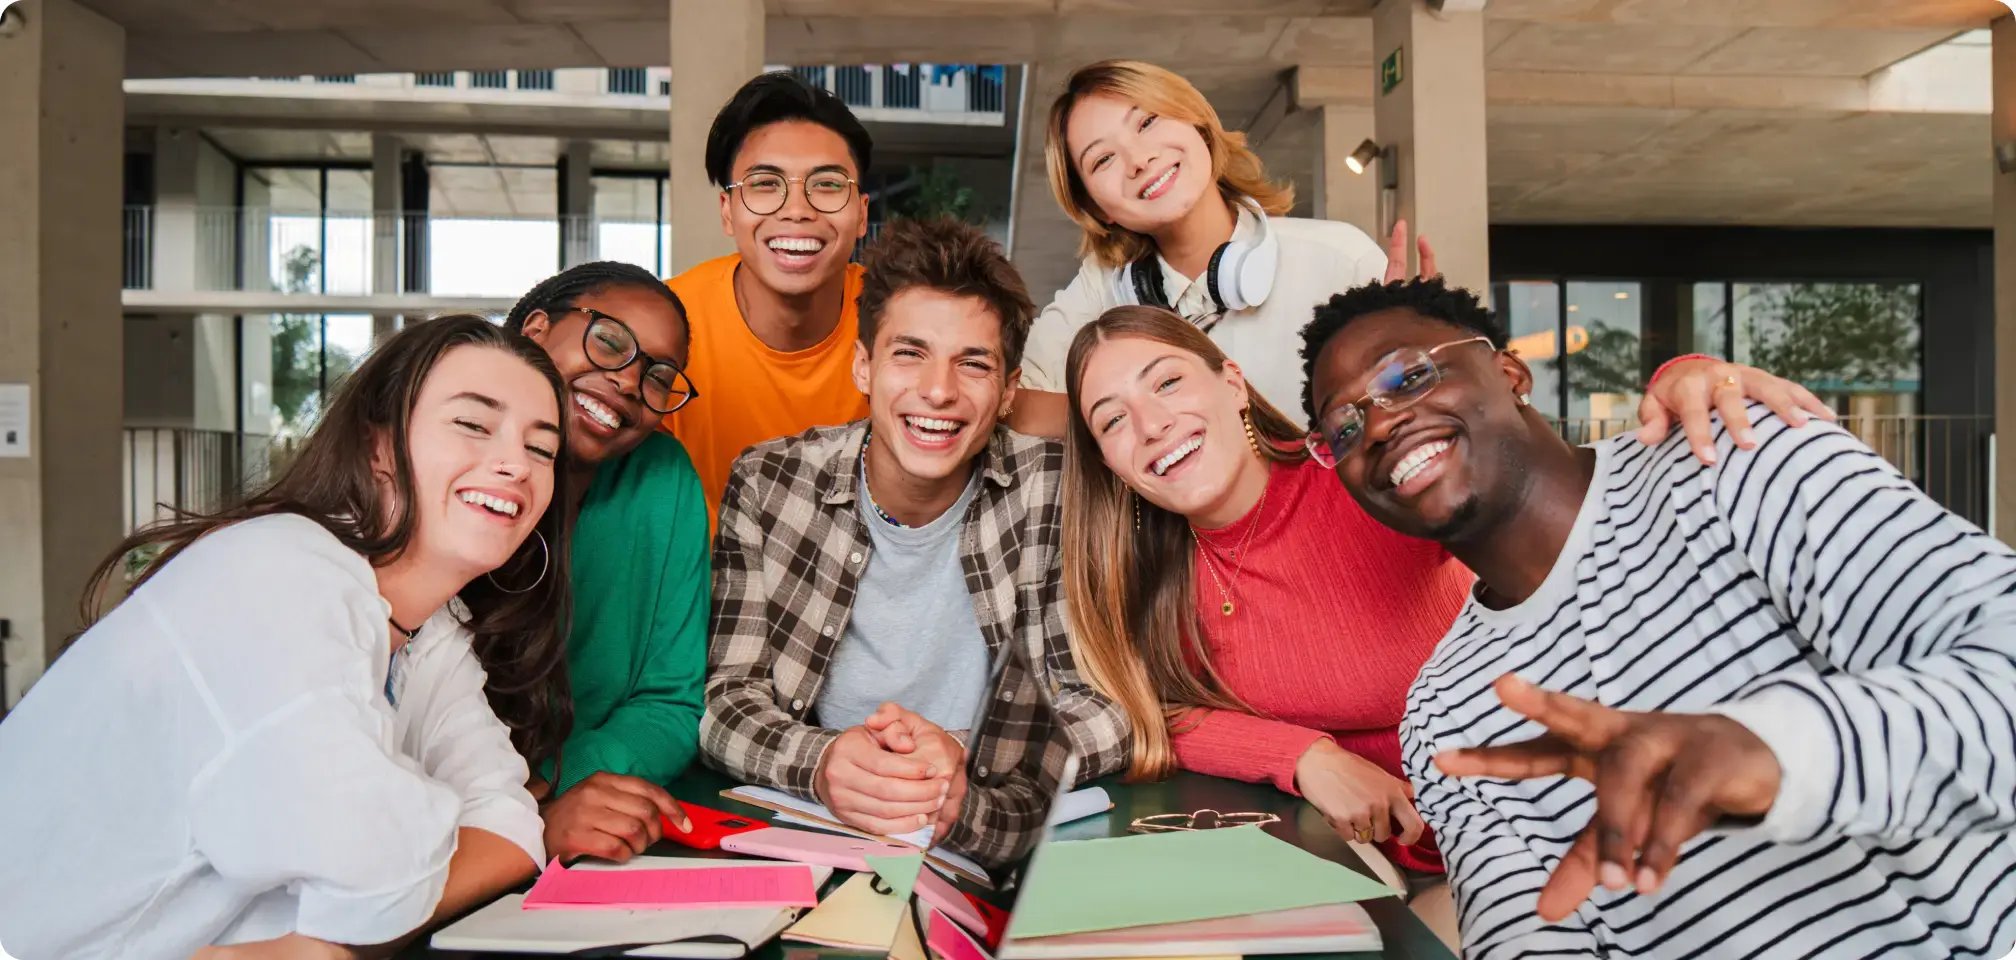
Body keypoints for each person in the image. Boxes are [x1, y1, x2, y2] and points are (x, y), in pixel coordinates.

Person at [1056, 304, 1820, 947]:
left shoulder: (1362, 469)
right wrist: (1303, 756)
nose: (1151, 425)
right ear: (1106, 461)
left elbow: (1532, 470)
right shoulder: (1154, 568)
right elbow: (1151, 711)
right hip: (1406, 860)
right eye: (1113, 421)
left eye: (1166, 382)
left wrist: (1681, 378)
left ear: (1229, 381)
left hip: (1555, 815)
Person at [1303, 277, 2016, 958]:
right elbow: (1529, 933)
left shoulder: (1737, 459)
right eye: (1343, 426)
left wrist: (1770, 747)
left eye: (1408, 377)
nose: (1381, 423)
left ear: (1511, 374)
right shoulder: (1443, 709)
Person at [0, 316, 568, 959]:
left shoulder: (433, 630)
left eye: (541, 448)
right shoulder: (278, 571)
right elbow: (375, 862)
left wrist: (321, 946)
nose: (514, 463)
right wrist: (346, 923)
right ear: (377, 446)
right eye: (472, 423)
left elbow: (508, 827)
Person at [702, 217, 1130, 866]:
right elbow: (725, 699)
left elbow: (1109, 707)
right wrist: (821, 762)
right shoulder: (770, 483)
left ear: (1010, 390)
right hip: (827, 833)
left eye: (974, 363)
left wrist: (967, 750)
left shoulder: (1054, 489)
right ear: (864, 367)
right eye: (910, 353)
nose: (938, 391)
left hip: (990, 830)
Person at [1011, 58, 1393, 437]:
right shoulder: (1102, 288)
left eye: (1146, 122)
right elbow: (1009, 402)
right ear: (1096, 208)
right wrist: (1123, 421)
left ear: (1198, 123)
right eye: (1104, 159)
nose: (1139, 160)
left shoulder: (1340, 258)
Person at [503, 261, 706, 864]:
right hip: (441, 828)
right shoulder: (448, 467)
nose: (626, 381)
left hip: (585, 817)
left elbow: (670, 701)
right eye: (611, 341)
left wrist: (566, 788)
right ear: (536, 330)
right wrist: (521, 814)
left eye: (658, 375)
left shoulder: (663, 479)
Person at [660, 71, 874, 517]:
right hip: (708, 580)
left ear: (861, 214)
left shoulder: (903, 320)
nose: (797, 210)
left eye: (828, 184)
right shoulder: (666, 327)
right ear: (727, 211)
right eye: (764, 184)